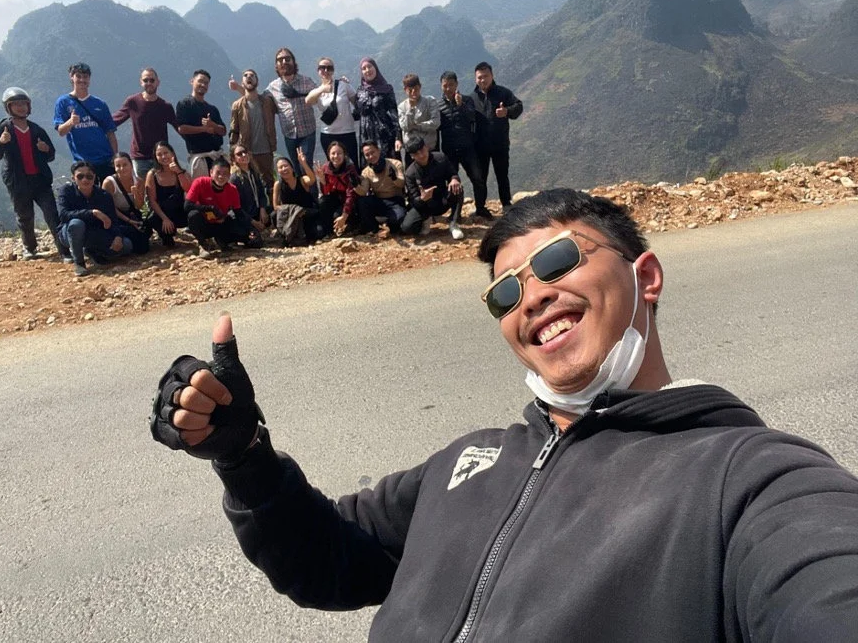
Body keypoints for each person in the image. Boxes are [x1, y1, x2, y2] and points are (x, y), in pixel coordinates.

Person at [150, 187, 858, 641]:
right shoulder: (468, 462)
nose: (533, 297)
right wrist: (244, 457)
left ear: (645, 276)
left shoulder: (751, 479)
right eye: (505, 293)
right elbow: (325, 560)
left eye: (556, 261)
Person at [0, 87, 70, 261]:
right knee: (24, 216)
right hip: (18, 181)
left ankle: (64, 251)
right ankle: (30, 248)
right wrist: (0, 142)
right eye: (16, 104)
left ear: (28, 106)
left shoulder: (36, 129)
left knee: (52, 214)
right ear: (8, 107)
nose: (20, 107)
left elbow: (51, 154)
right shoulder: (4, 129)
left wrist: (45, 149)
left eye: (23, 104)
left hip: (40, 180)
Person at [232, 48, 316, 173]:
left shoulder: (306, 81)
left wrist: (338, 84)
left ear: (293, 62)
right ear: (276, 65)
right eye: (280, 60)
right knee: (297, 170)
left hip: (307, 133)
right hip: (289, 136)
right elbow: (256, 100)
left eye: (287, 59)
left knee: (306, 167)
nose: (284, 62)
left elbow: (322, 96)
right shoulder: (273, 87)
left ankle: (312, 192)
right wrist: (239, 88)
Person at [56, 161, 132, 277]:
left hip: (94, 233)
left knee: (126, 246)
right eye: (80, 176)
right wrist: (92, 213)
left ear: (94, 177)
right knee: (76, 224)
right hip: (69, 233)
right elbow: (64, 215)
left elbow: (113, 219)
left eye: (89, 176)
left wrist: (118, 237)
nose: (85, 180)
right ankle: (79, 263)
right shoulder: (66, 191)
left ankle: (93, 251)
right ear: (73, 178)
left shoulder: (103, 195)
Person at [53, 63, 118, 183]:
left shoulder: (100, 104)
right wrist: (71, 122)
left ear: (89, 79)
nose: (82, 80)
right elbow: (61, 131)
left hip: (105, 160)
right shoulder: (63, 102)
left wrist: (115, 156)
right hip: (82, 163)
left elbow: (110, 133)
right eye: (78, 76)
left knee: (108, 198)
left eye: (85, 77)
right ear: (71, 77)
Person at [438, 70, 489, 219]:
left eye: (451, 85)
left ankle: (480, 207)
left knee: (478, 178)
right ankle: (456, 213)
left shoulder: (467, 100)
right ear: (441, 86)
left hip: (468, 148)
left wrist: (461, 106)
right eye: (445, 85)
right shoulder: (438, 105)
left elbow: (472, 118)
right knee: (453, 182)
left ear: (457, 84)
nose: (448, 89)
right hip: (449, 150)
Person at [112, 67, 178, 180]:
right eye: (145, 80)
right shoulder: (133, 102)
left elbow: (180, 128)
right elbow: (115, 120)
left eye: (152, 80)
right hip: (140, 158)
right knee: (143, 192)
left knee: (162, 189)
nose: (149, 83)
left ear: (158, 82)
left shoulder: (165, 106)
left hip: (160, 157)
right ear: (141, 82)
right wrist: (95, 125)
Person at [473, 61, 523, 210]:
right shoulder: (472, 98)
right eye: (479, 77)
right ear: (475, 79)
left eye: (485, 76)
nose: (483, 80)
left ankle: (506, 204)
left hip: (500, 143)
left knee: (502, 175)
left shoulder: (503, 93)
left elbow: (519, 106)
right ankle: (480, 207)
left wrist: (506, 111)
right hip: (480, 146)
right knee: (480, 178)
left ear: (492, 76)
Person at [185, 157, 257, 258]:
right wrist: (210, 208)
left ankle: (221, 240)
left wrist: (250, 229)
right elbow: (187, 205)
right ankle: (203, 243)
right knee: (193, 215)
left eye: (225, 174)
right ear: (211, 172)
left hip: (222, 222)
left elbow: (238, 212)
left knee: (251, 239)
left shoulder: (232, 189)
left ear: (229, 175)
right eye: (217, 173)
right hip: (204, 223)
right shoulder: (200, 183)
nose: (221, 176)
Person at [400, 137, 464, 240]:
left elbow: (452, 174)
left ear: (426, 147)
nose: (421, 155)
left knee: (457, 188)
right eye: (416, 154)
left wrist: (454, 179)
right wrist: (422, 198)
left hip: (442, 199)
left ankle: (454, 223)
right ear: (412, 156)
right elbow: (413, 200)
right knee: (407, 228)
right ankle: (426, 220)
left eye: (422, 150)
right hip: (425, 206)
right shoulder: (410, 173)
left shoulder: (441, 158)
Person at [305, 57, 359, 170]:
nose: (326, 70)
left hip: (347, 132)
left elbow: (357, 102)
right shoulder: (317, 91)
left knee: (353, 166)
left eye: (329, 68)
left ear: (333, 70)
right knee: (334, 167)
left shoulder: (343, 85)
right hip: (328, 135)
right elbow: (308, 101)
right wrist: (322, 89)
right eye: (322, 68)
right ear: (318, 71)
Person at [228, 69, 277, 193]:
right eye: (245, 75)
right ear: (242, 82)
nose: (249, 77)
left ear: (257, 81)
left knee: (269, 182)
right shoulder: (237, 106)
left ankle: (271, 208)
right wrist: (232, 153)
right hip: (247, 152)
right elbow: (234, 130)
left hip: (266, 150)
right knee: (249, 183)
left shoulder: (267, 102)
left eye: (252, 75)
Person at [297, 143, 358, 238]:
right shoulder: (326, 168)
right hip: (336, 198)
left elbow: (351, 194)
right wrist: (322, 180)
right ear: (328, 155)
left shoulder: (349, 168)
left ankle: (351, 225)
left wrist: (344, 216)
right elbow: (326, 193)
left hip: (349, 202)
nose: (336, 156)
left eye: (339, 153)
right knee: (323, 201)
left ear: (344, 154)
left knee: (337, 216)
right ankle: (328, 231)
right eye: (333, 153)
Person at [176, 69, 226, 178]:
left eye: (206, 83)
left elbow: (223, 131)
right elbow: (182, 128)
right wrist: (204, 129)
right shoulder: (184, 104)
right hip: (200, 158)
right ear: (192, 81)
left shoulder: (212, 109)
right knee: (204, 193)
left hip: (217, 157)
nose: (203, 85)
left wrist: (212, 125)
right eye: (200, 81)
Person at [144, 141, 192, 248]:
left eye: (166, 153)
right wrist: (164, 218)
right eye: (159, 154)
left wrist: (178, 172)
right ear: (156, 157)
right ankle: (166, 237)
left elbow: (189, 189)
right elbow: (152, 200)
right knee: (152, 218)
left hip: (179, 211)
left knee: (194, 212)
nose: (163, 156)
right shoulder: (152, 174)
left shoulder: (182, 171)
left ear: (172, 154)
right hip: (162, 212)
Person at [102, 152, 150, 255]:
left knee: (144, 246)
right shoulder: (109, 183)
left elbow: (139, 206)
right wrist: (128, 220)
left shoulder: (139, 181)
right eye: (118, 166)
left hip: (132, 214)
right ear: (114, 167)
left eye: (125, 165)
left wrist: (136, 193)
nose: (122, 168)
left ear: (131, 165)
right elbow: (109, 208)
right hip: (117, 218)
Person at [354, 140, 406, 234]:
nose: (371, 156)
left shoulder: (395, 164)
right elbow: (363, 191)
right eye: (367, 155)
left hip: (395, 200)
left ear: (378, 150)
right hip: (379, 200)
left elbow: (402, 184)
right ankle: (374, 228)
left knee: (398, 219)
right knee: (362, 201)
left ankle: (389, 223)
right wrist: (355, 185)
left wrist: (394, 178)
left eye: (372, 152)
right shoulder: (366, 172)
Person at [356, 57, 401, 161]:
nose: (367, 70)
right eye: (364, 68)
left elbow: (394, 114)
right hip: (366, 136)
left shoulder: (387, 89)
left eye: (370, 66)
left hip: (384, 135)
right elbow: (358, 112)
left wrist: (398, 137)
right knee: (369, 168)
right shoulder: (360, 90)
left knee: (388, 166)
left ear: (375, 68)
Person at [271, 156, 321, 246]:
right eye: (280, 167)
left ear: (292, 168)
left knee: (318, 232)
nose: (284, 169)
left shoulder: (302, 180)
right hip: (290, 216)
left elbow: (312, 180)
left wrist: (303, 163)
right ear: (278, 171)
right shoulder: (278, 184)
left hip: (305, 213)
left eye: (286, 166)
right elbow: (275, 206)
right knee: (274, 215)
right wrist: (293, 211)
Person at [397, 74, 439, 167]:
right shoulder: (402, 107)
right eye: (410, 90)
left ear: (420, 86)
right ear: (405, 90)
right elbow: (405, 127)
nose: (413, 92)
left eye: (416, 89)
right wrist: (411, 109)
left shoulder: (430, 101)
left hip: (429, 149)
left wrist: (417, 126)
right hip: (412, 153)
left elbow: (435, 123)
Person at [230, 147, 271, 239]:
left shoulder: (254, 173)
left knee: (275, 214)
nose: (244, 155)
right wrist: (253, 222)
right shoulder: (234, 179)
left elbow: (261, 193)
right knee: (255, 241)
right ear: (234, 159)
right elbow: (236, 207)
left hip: (257, 211)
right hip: (245, 216)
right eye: (239, 154)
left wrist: (262, 209)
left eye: (245, 152)